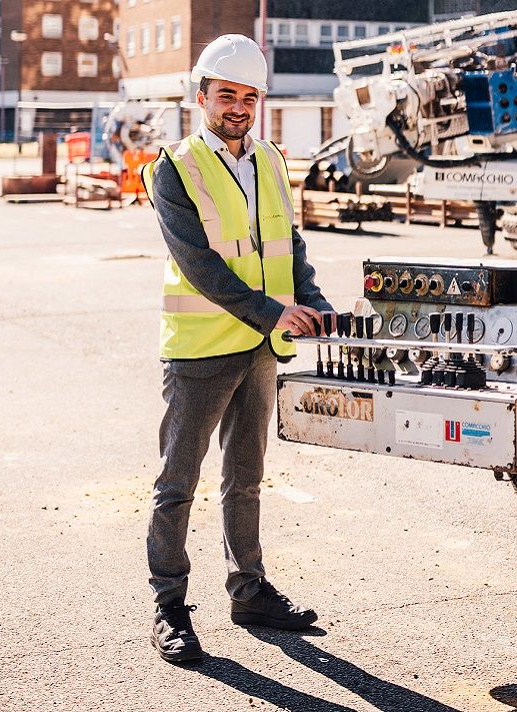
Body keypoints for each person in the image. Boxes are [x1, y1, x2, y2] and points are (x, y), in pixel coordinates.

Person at [141, 34, 335, 664]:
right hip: (201, 349)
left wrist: (312, 299)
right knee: (178, 482)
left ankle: (247, 590)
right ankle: (169, 605)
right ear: (202, 97)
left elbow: (290, 243)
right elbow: (200, 266)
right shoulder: (176, 168)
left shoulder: (272, 160)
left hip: (260, 345)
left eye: (249, 95)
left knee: (245, 478)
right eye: (227, 94)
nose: (239, 106)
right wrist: (276, 311)